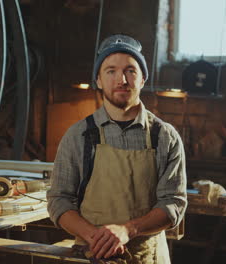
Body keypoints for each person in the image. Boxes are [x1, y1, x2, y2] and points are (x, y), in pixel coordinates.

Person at [47, 34, 187, 264]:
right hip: (92, 255)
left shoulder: (165, 136)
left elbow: (173, 202)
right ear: (99, 80)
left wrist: (128, 230)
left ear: (143, 79)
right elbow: (59, 200)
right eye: (110, 71)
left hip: (147, 257)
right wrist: (97, 237)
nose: (121, 79)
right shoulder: (78, 136)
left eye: (131, 70)